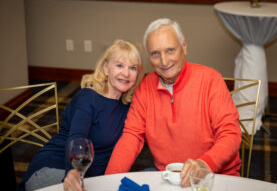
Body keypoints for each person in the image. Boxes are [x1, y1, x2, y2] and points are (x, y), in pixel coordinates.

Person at [105, 18, 242, 187]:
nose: (164, 61)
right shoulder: (146, 87)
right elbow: (131, 137)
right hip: (167, 176)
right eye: (155, 53)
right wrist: (109, 182)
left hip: (215, 175)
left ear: (184, 47)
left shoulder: (210, 79)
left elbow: (231, 134)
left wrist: (205, 164)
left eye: (170, 50)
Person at [18, 39, 145, 191]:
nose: (126, 73)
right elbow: (77, 138)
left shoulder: (129, 107)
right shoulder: (88, 98)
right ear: (106, 68)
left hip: (93, 177)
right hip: (57, 168)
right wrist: (72, 171)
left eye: (133, 68)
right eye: (119, 65)